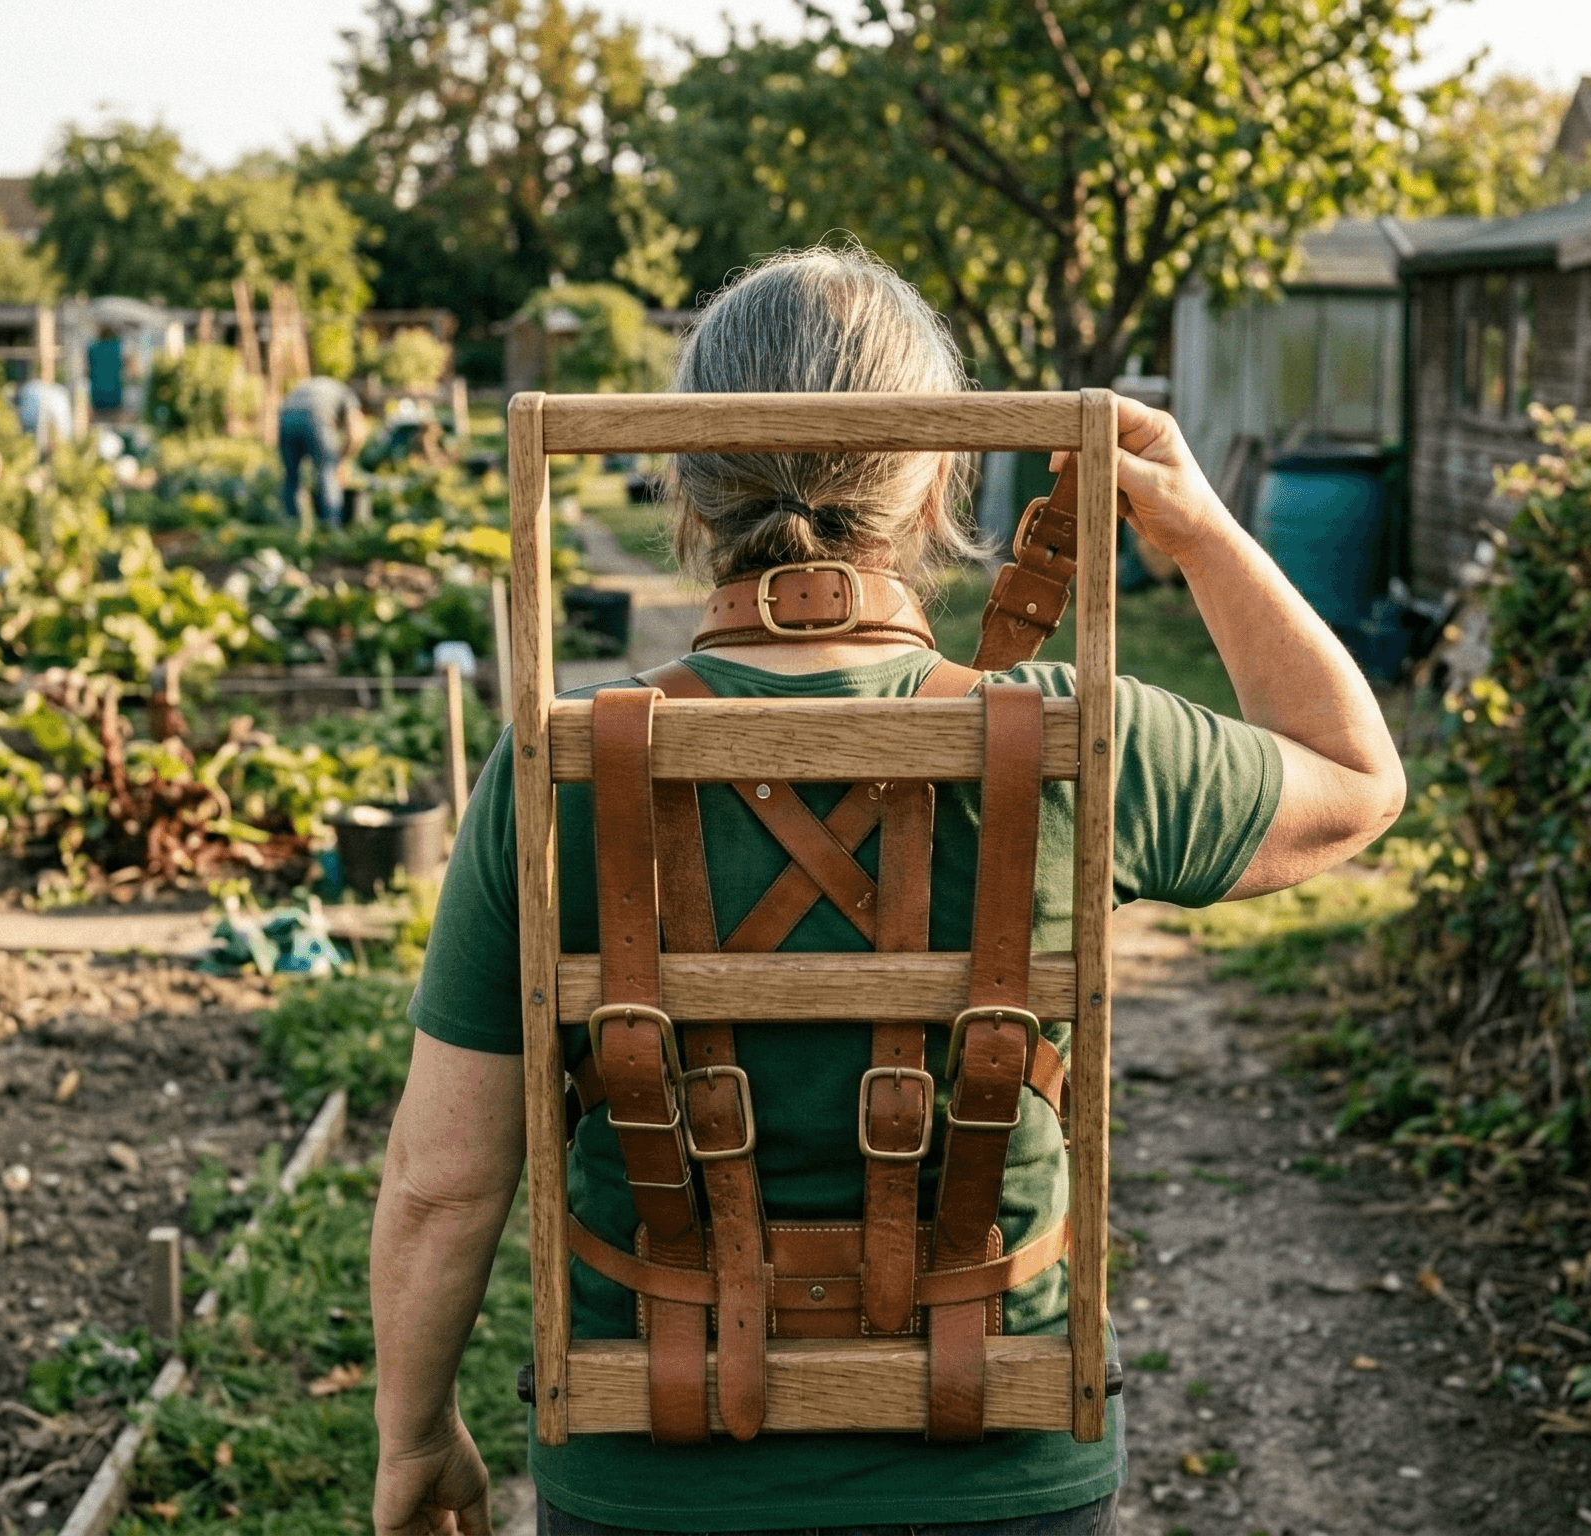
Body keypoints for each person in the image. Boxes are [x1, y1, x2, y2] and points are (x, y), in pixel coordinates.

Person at [368, 246, 1405, 1536]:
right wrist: (1195, 527)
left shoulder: (560, 769)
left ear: (687, 483)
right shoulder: (1077, 741)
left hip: (652, 1473)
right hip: (998, 1471)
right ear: (935, 483)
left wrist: (416, 1441)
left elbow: (443, 1181)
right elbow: (1357, 781)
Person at [278, 373, 366, 530]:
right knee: (327, 473)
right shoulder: (347, 395)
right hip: (314, 415)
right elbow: (355, 434)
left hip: (286, 416)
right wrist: (341, 460)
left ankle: (290, 527)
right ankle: (332, 528)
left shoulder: (324, 387)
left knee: (291, 476)